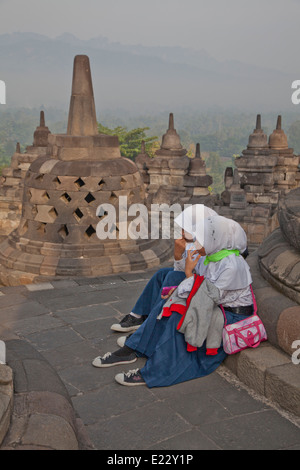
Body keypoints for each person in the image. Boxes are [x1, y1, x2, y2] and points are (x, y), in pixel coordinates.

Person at [92, 211, 253, 388]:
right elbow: (196, 286)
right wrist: (179, 285)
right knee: (170, 303)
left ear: (217, 240)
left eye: (201, 239)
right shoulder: (212, 256)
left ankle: (156, 371)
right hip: (213, 304)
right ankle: (136, 347)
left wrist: (187, 275)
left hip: (230, 316)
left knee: (178, 312)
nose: (195, 243)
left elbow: (205, 295)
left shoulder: (232, 265)